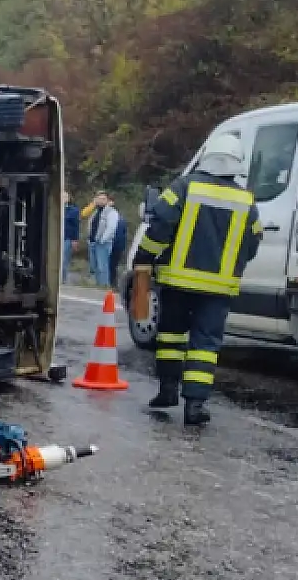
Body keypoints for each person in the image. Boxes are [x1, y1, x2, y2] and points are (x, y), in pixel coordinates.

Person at [134, 137, 263, 426]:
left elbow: (160, 225)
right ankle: (194, 406)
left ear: (207, 157)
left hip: (178, 283)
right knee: (205, 345)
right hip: (218, 289)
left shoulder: (183, 187)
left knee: (170, 337)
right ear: (236, 163)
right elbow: (253, 242)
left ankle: (167, 390)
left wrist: (145, 257)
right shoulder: (246, 199)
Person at [87, 192, 121, 290]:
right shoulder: (96, 211)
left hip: (103, 243)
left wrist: (102, 240)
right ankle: (99, 285)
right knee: (94, 266)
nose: (101, 201)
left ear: (107, 200)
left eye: (103, 199)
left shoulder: (111, 212)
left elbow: (111, 228)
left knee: (103, 266)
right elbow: (90, 223)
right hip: (92, 242)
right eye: (99, 198)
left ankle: (104, 285)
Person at [62, 194, 81, 284]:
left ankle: (63, 279)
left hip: (67, 238)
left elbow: (76, 226)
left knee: (64, 259)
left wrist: (75, 239)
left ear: (69, 198)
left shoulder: (73, 210)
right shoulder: (56, 209)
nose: (63, 198)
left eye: (65, 196)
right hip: (58, 238)